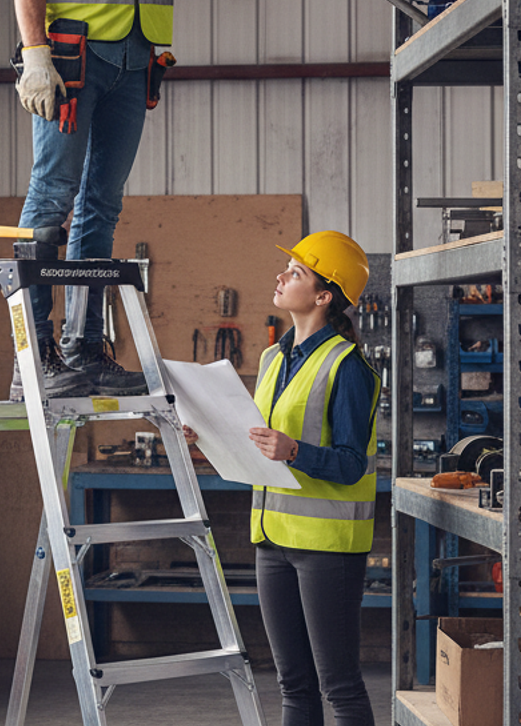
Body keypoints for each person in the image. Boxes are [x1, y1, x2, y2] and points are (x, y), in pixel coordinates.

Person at [185, 230, 380, 726]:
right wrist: (206, 439)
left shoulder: (348, 366)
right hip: (271, 538)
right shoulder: (273, 358)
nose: (280, 275)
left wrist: (295, 451)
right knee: (292, 682)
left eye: (296, 271)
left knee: (339, 684)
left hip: (327, 548)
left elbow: (351, 463)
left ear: (323, 295)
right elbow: (258, 444)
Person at [7, 0, 174, 400]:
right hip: (70, 54)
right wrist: (34, 53)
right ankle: (32, 357)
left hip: (136, 60)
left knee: (101, 204)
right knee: (52, 193)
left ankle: (84, 349)